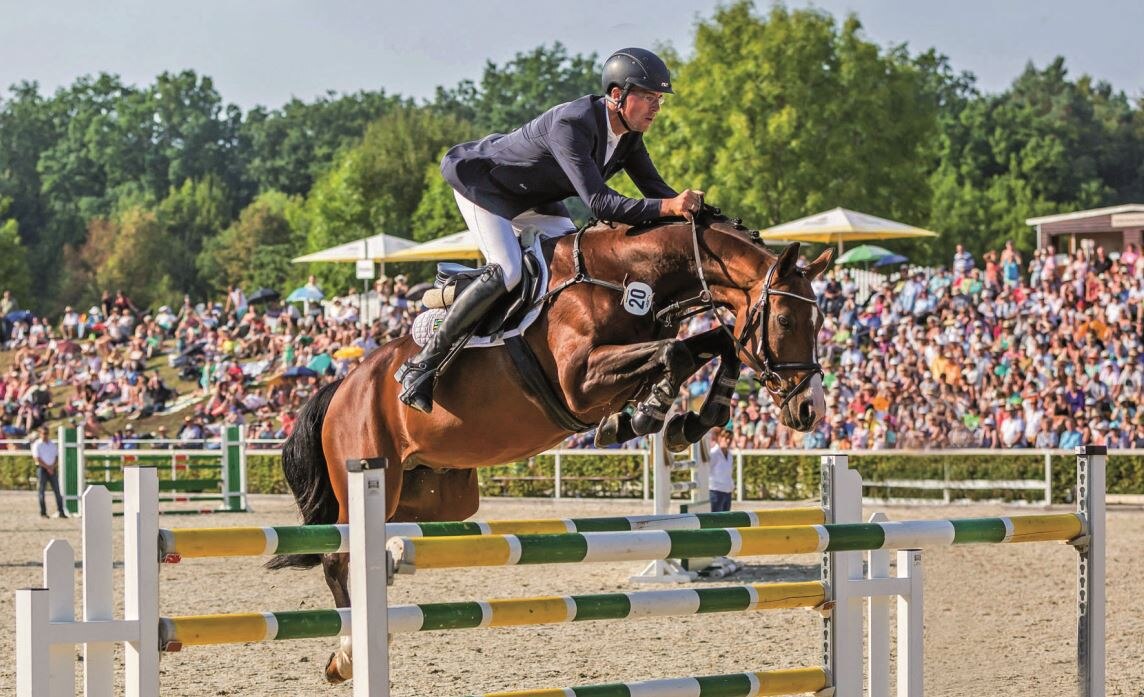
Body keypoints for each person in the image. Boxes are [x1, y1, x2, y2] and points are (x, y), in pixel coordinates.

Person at [395, 47, 704, 413]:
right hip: (485, 186)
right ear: (617, 95)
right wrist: (669, 206)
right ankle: (423, 364)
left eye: (659, 100)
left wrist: (707, 218)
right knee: (508, 269)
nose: (656, 107)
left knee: (576, 260)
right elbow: (601, 204)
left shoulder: (629, 137)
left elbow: (659, 194)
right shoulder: (572, 124)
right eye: (649, 97)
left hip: (536, 200)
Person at [32, 426, 66, 518]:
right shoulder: (37, 445)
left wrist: (52, 467)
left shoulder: (52, 444)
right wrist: (48, 467)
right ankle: (43, 512)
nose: (45, 435)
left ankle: (61, 511)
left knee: (57, 491)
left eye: (47, 433)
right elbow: (37, 458)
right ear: (40, 434)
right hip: (42, 469)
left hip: (52, 469)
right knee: (41, 491)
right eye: (44, 433)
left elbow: (56, 457)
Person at [708, 428, 735, 512]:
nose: (728, 440)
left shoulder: (730, 455)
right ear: (720, 438)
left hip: (727, 492)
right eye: (726, 438)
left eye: (730, 438)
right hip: (715, 491)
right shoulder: (713, 453)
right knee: (715, 522)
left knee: (725, 522)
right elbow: (707, 472)